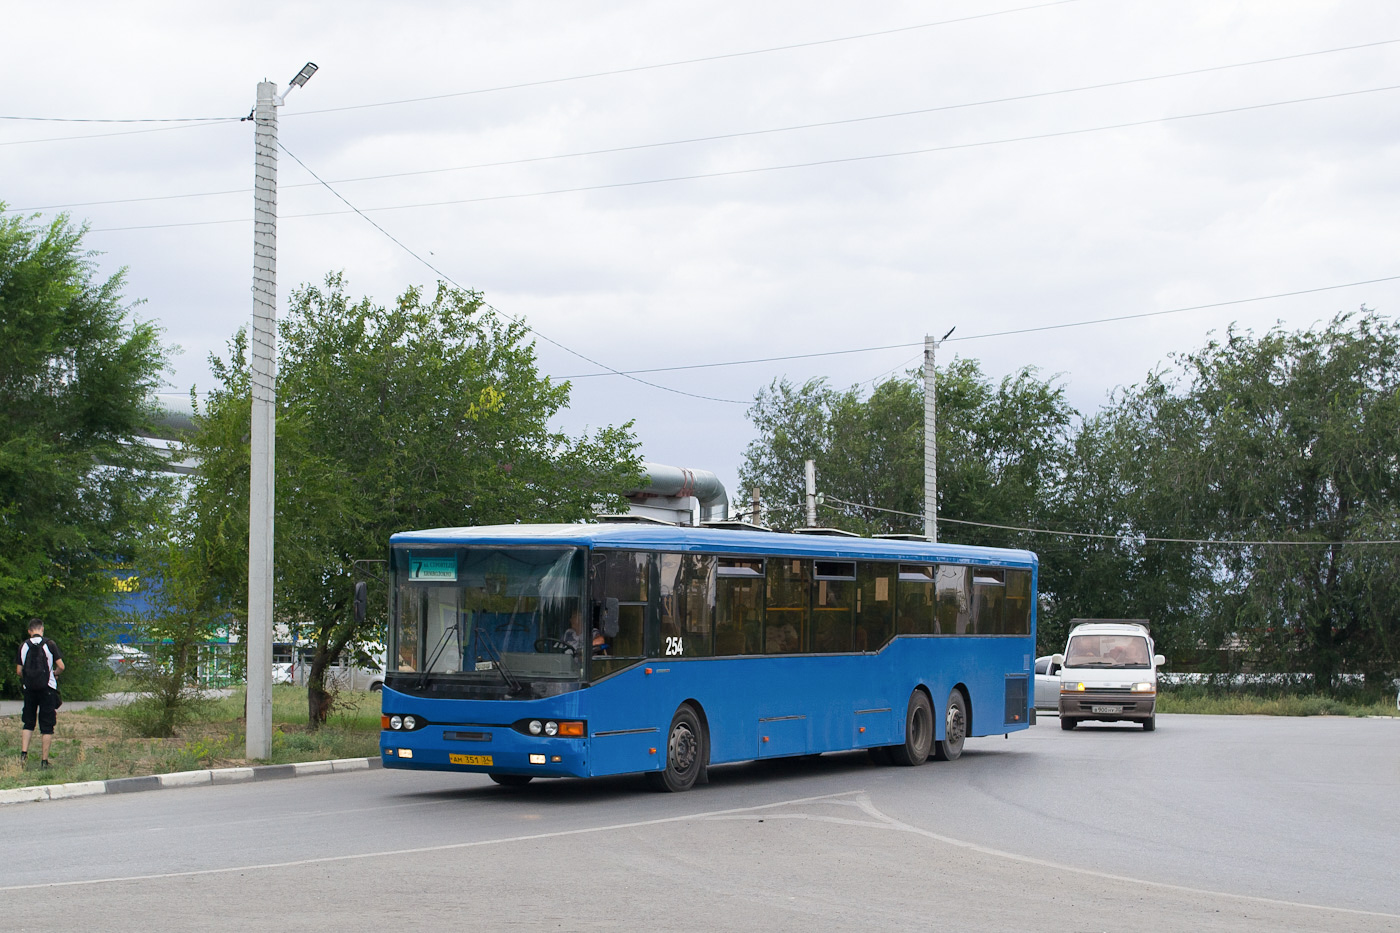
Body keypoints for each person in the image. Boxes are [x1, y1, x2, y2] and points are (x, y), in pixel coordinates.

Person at [16, 618, 64, 769]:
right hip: (47, 689)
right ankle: (44, 761)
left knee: (28, 722)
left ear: (30, 631)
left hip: (29, 689)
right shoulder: (50, 644)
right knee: (47, 725)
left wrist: (29, 679)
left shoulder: (23, 646)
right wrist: (55, 673)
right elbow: (61, 666)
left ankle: (23, 755)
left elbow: (18, 671)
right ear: (42, 629)